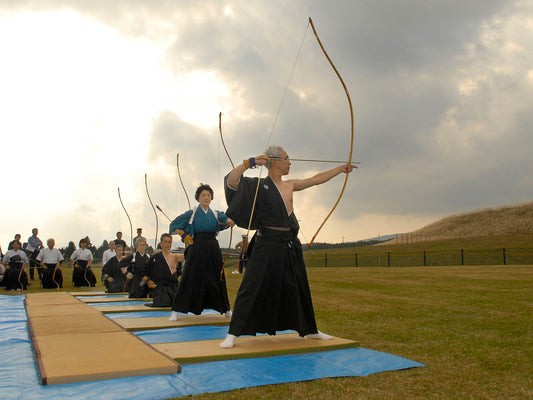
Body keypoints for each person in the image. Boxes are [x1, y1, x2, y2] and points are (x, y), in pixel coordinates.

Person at [220, 146, 357, 348]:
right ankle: (233, 333)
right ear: (274, 161)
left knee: (300, 286)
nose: (290, 162)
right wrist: (249, 163)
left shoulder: (290, 185)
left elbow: (315, 179)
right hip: (267, 243)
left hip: (290, 244)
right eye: (287, 158)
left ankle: (311, 330)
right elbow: (232, 182)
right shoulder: (258, 185)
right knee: (251, 285)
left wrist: (340, 169)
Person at [169, 183, 234, 321]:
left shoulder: (216, 214)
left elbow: (225, 219)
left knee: (218, 276)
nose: (206, 197)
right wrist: (183, 234)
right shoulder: (191, 213)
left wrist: (229, 221)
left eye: (208, 195)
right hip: (196, 246)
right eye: (203, 195)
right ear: (198, 198)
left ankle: (226, 308)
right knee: (189, 276)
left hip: (212, 247)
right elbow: (174, 225)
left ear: (211, 198)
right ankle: (176, 309)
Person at [143, 233, 184, 307]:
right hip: (160, 290)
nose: (167, 244)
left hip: (174, 289)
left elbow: (179, 273)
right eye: (165, 242)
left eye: (169, 242)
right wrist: (148, 280)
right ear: (161, 243)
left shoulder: (175, 257)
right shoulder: (154, 258)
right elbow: (144, 271)